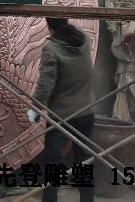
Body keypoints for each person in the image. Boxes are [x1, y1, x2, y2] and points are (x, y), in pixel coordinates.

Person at [28, 17, 95, 202]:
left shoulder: (52, 49)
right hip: (86, 111)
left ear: (49, 27)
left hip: (62, 115)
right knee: (84, 160)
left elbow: (45, 84)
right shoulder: (83, 38)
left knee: (53, 162)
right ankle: (87, 200)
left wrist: (35, 108)